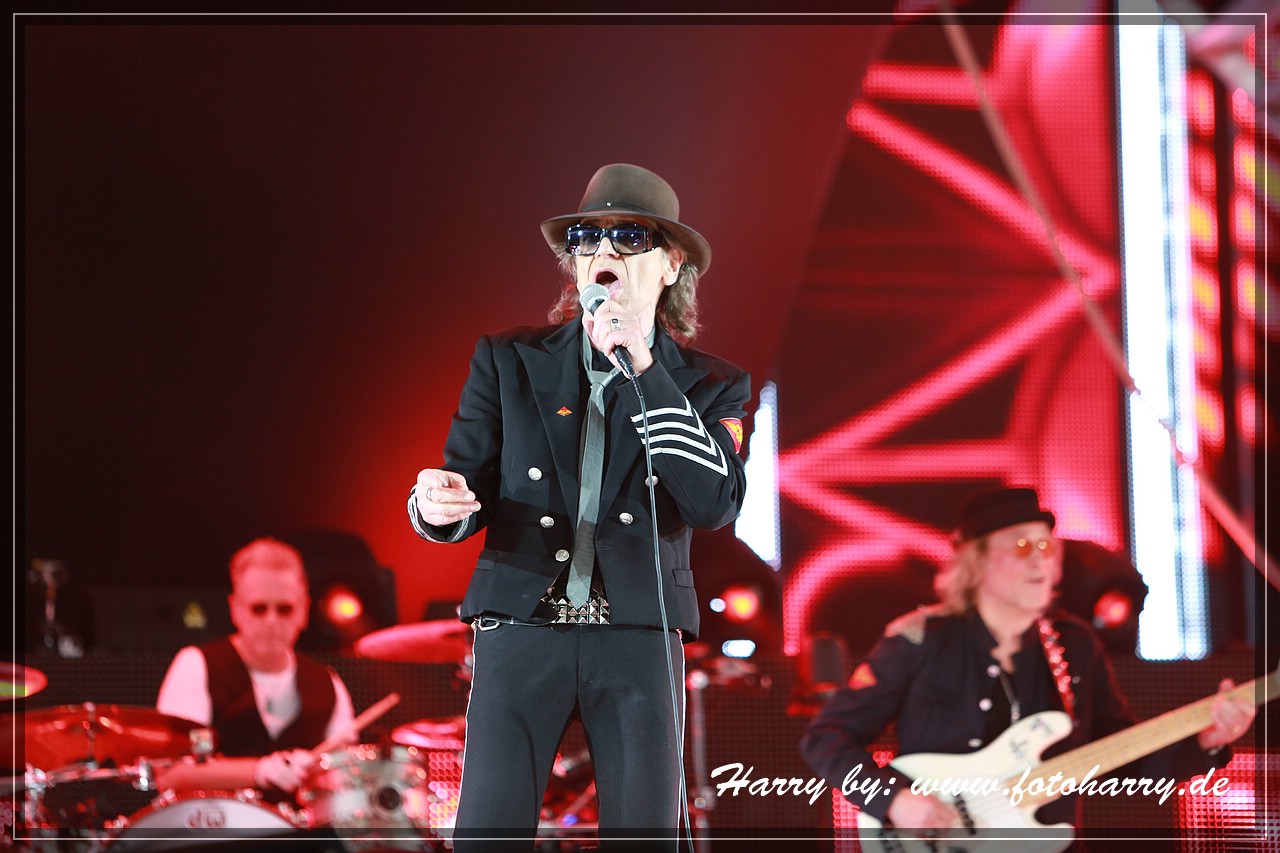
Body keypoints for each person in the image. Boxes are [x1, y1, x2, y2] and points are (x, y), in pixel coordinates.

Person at [408, 163, 750, 847]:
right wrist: (434, 505)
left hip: (638, 632)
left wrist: (646, 369)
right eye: (587, 238)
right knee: (488, 833)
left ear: (671, 263)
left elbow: (714, 502)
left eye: (630, 236)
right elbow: (464, 486)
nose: (603, 252)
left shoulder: (713, 384)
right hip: (521, 622)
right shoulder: (509, 359)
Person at [801, 486, 1257, 847]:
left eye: (1046, 546)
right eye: (1022, 545)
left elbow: (1120, 764)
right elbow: (826, 738)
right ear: (977, 561)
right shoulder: (920, 640)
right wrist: (893, 801)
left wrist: (1204, 741)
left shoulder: (1075, 645)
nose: (1040, 557)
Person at [154, 537, 357, 797]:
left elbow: (347, 777)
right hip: (220, 822)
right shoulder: (196, 666)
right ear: (235, 609)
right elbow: (171, 773)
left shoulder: (328, 683)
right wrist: (258, 771)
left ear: (304, 611)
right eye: (259, 609)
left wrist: (325, 772)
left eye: (284, 609)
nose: (271, 621)